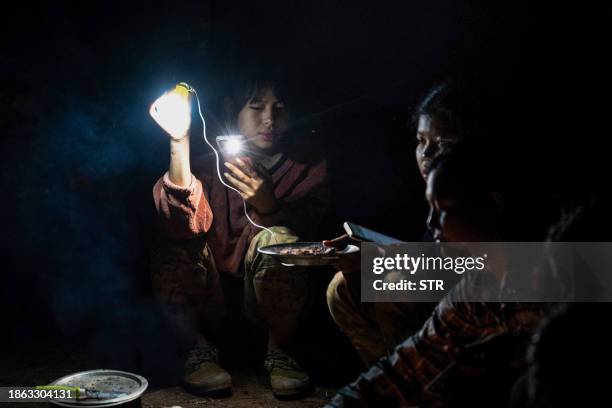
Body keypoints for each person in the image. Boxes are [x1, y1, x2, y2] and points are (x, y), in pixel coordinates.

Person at [150, 69, 329, 399]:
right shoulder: (208, 165)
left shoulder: (307, 166)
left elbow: (314, 243)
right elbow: (178, 223)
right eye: (257, 106)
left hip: (269, 314)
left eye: (280, 108)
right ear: (234, 108)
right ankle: (197, 351)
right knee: (174, 246)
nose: (269, 119)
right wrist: (179, 141)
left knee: (279, 241)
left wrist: (269, 205)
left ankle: (281, 353)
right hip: (211, 309)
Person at [326, 145, 545, 407]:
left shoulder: (551, 277)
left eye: (446, 210)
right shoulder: (474, 290)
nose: (432, 223)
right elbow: (408, 366)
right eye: (421, 141)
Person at [325, 83, 469, 367]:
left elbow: (486, 265)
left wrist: (398, 259)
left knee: (396, 283)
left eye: (444, 145)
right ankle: (394, 380)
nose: (427, 154)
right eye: (421, 140)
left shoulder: (494, 197)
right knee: (343, 285)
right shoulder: (436, 192)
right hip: (445, 294)